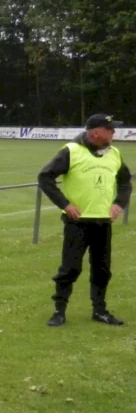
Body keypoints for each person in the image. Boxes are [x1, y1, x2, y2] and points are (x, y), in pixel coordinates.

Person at [38, 113, 130, 327]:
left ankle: (100, 310)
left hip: (103, 222)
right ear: (96, 132)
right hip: (77, 223)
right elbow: (45, 176)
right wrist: (65, 204)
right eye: (110, 129)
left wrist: (119, 203)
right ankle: (59, 311)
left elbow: (125, 182)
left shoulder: (115, 153)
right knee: (70, 268)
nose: (113, 132)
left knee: (102, 268)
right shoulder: (71, 151)